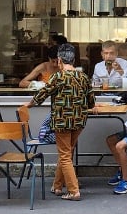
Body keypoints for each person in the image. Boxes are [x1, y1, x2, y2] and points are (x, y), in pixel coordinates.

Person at [24, 42, 94, 201]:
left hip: (62, 121)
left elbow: (42, 94)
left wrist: (29, 104)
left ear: (60, 61)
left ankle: (73, 191)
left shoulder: (58, 77)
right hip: (79, 121)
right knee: (67, 153)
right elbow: (91, 102)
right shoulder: (84, 77)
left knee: (64, 155)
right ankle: (57, 186)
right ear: (74, 60)